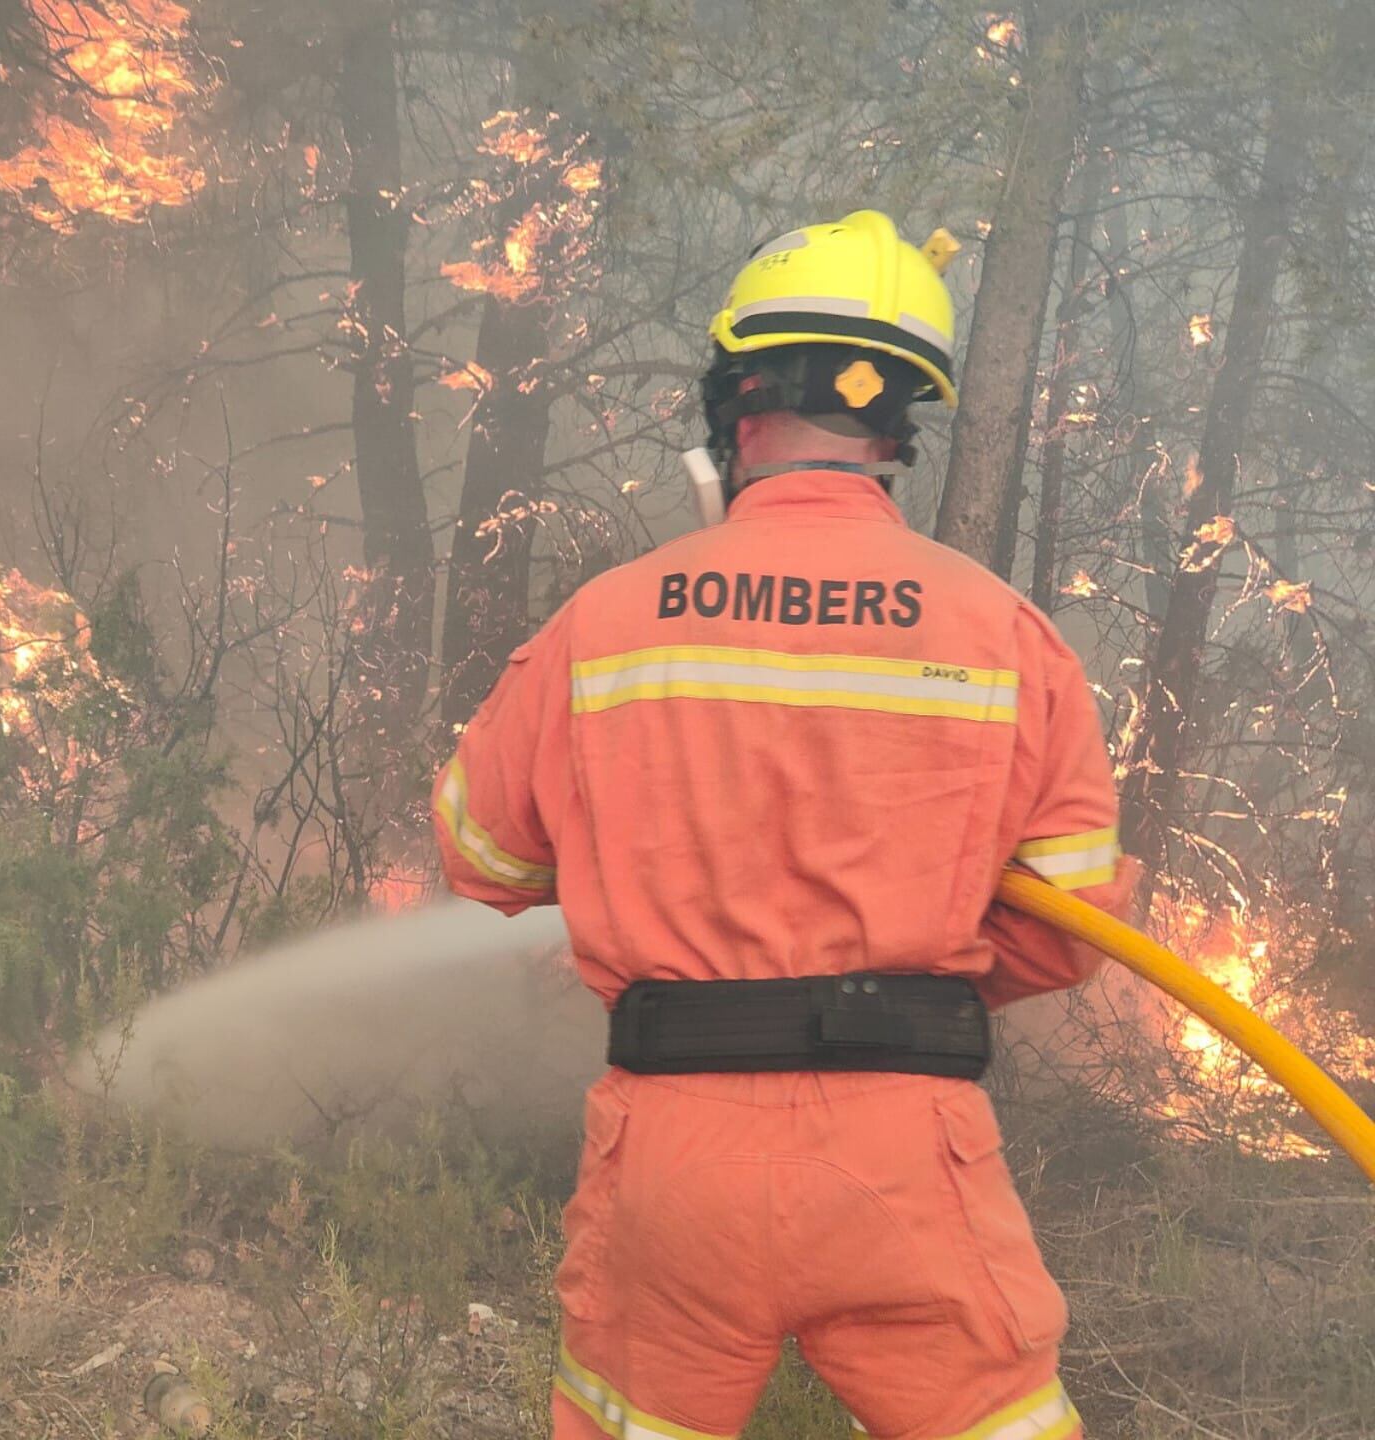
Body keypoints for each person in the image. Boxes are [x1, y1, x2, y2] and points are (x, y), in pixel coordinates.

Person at [433, 210, 1137, 1440]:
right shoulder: (1005, 634)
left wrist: (634, 857)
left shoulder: (606, 622)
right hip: (908, 1147)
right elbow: (1068, 930)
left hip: (674, 1150)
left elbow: (480, 855)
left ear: (735, 406)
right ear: (897, 423)